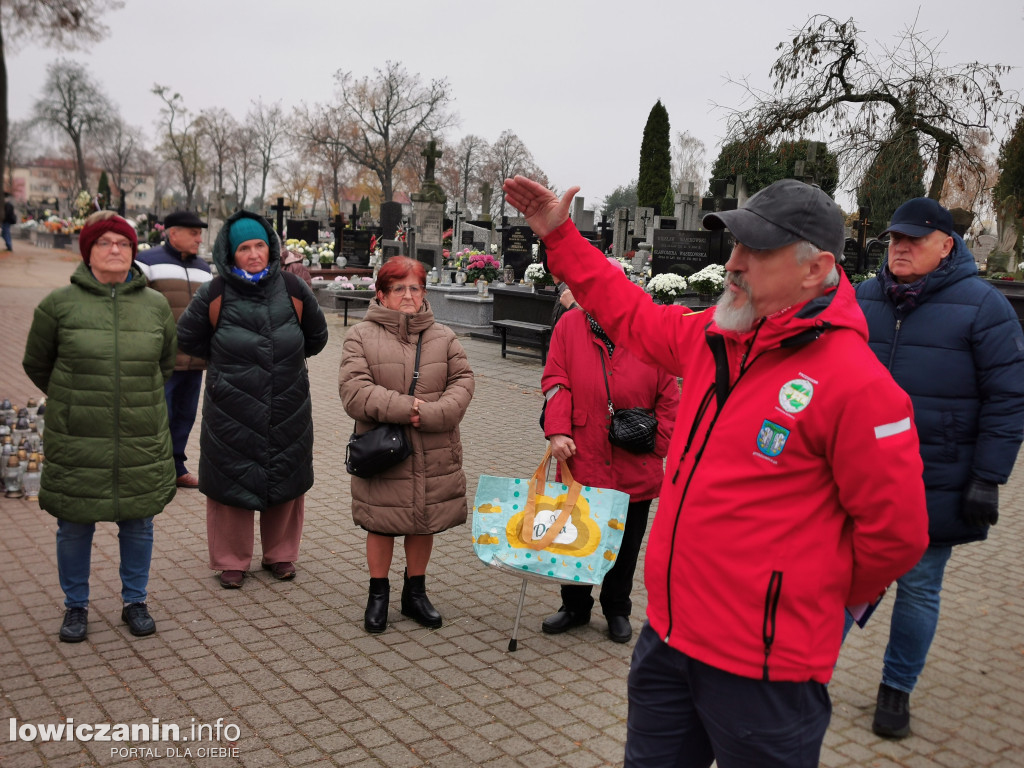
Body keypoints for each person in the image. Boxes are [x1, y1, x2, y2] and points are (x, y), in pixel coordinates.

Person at [502, 174, 930, 768]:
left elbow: (898, 534)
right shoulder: (714, 337)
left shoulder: (860, 387)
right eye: (736, 245)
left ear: (815, 270)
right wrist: (561, 238)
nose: (733, 263)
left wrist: (807, 602)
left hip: (766, 670)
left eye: (756, 250)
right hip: (669, 641)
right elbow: (630, 314)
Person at [853, 197, 1024, 739]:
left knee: (919, 584)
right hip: (857, 475)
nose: (900, 248)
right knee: (837, 574)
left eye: (914, 239)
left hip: (935, 475)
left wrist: (988, 477)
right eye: (895, 239)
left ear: (947, 245)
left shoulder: (984, 306)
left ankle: (896, 689)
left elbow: (1008, 399)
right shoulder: (863, 297)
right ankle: (804, 671)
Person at [22, 211, 177, 642]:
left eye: (123, 243)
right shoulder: (58, 305)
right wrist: (74, 399)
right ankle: (76, 606)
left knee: (139, 522)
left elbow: (165, 364)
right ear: (87, 251)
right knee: (74, 524)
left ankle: (135, 601)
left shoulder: (155, 306)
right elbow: (37, 363)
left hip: (139, 433)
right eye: (105, 242)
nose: (115, 250)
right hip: (79, 435)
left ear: (133, 252)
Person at [177, 212, 328, 589]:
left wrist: (283, 364)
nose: (254, 254)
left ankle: (281, 554)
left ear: (271, 247)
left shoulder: (292, 288)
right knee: (230, 480)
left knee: (286, 476)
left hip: (287, 401)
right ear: (230, 253)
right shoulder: (214, 292)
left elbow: (317, 336)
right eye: (244, 247)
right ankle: (231, 560)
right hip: (232, 406)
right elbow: (188, 337)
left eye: (260, 245)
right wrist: (227, 368)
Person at [540, 271, 679, 644]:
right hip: (582, 453)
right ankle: (574, 606)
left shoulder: (650, 331)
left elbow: (670, 396)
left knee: (625, 544)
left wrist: (657, 443)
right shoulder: (570, 326)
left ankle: (617, 609)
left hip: (636, 460)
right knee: (576, 536)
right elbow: (555, 381)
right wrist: (558, 431)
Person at [339, 256, 475, 634]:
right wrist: (407, 408)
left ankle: (415, 593)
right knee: (382, 523)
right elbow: (354, 391)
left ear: (424, 292)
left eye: (415, 287)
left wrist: (434, 414)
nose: (408, 295)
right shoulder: (360, 336)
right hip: (384, 451)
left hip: (434, 448)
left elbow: (463, 382)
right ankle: (378, 594)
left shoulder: (443, 336)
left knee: (422, 522)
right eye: (398, 288)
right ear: (381, 294)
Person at [136, 210, 212, 489]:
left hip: (195, 360)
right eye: (194, 233)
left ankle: (176, 467)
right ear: (173, 233)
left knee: (185, 416)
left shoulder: (204, 268)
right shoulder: (146, 262)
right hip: (161, 360)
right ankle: (151, 470)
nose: (199, 239)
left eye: (200, 234)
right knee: (158, 417)